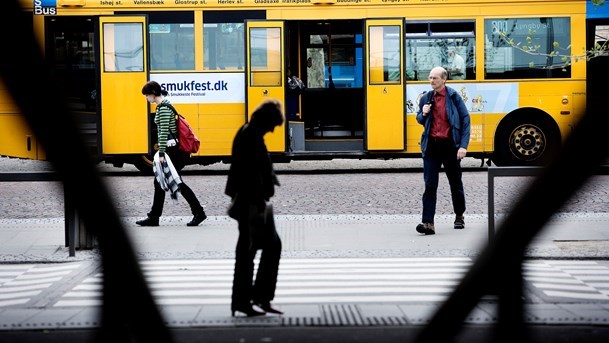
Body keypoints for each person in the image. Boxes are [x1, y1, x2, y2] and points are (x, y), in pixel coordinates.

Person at [225, 98, 285, 317]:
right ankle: (251, 299)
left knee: (252, 250)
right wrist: (261, 195)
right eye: (273, 126)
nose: (272, 130)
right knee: (255, 250)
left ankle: (250, 299)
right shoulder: (251, 136)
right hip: (252, 203)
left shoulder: (248, 132)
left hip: (253, 202)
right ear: (267, 120)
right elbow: (251, 171)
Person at [136, 81, 207, 227]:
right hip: (174, 151)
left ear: (153, 94)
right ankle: (154, 217)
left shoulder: (163, 109)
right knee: (160, 182)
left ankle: (199, 212)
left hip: (173, 152)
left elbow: (162, 134)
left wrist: (161, 153)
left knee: (176, 182)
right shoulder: (166, 105)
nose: (146, 98)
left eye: (146, 95)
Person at [415, 67, 470, 235]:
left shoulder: (453, 97)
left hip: (450, 146)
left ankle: (459, 215)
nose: (431, 81)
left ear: (444, 80)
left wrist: (463, 146)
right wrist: (423, 114)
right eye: (430, 77)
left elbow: (465, 119)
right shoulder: (426, 97)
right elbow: (419, 119)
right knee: (430, 185)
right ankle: (428, 223)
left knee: (455, 183)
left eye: (435, 78)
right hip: (431, 146)